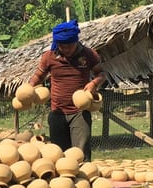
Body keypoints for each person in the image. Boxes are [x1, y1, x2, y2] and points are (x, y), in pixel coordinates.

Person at [28, 19, 105, 161]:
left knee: (80, 155)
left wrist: (94, 83)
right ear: (57, 44)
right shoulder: (49, 57)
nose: (67, 49)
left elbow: (101, 74)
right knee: (58, 156)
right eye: (63, 46)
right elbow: (38, 76)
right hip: (57, 112)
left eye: (70, 45)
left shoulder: (88, 54)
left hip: (79, 113)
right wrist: (28, 89)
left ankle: (83, 182)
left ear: (76, 40)